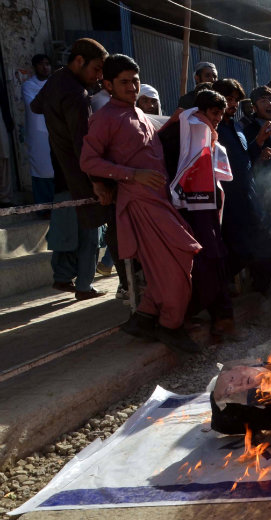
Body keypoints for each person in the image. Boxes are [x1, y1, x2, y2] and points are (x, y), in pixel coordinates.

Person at [79, 54, 201, 351]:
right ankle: (170, 325)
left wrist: (172, 123)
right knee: (178, 259)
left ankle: (145, 316)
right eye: (124, 82)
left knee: (167, 263)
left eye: (135, 81)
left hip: (159, 200)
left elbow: (141, 146)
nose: (133, 87)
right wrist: (132, 175)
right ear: (107, 85)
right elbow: (88, 160)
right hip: (138, 202)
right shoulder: (105, 118)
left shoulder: (138, 114)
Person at [30, 38, 110, 300]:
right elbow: (83, 144)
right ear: (79, 61)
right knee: (90, 229)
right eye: (96, 69)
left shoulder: (57, 80)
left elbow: (36, 105)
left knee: (67, 227)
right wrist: (96, 180)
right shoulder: (77, 96)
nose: (98, 76)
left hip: (60, 168)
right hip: (79, 173)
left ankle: (63, 277)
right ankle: (84, 286)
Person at [159, 89, 236, 340]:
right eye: (214, 113)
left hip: (207, 210)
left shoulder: (209, 134)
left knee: (217, 259)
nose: (217, 120)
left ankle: (221, 318)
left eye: (221, 115)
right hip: (187, 211)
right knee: (203, 262)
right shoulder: (178, 131)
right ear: (200, 110)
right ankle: (191, 316)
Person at [212, 78, 271, 294]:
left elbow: (244, 160)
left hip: (248, 196)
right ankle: (215, 291)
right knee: (241, 250)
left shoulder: (236, 128)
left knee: (265, 245)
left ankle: (262, 293)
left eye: (235, 100)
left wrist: (258, 144)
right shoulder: (213, 128)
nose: (232, 104)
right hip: (229, 201)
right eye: (228, 99)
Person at [22, 54, 55, 209]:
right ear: (35, 67)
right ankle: (43, 209)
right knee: (41, 169)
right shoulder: (28, 86)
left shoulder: (55, 84)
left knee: (55, 169)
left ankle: (57, 207)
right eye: (42, 64)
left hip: (54, 132)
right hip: (37, 135)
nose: (45, 67)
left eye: (48, 64)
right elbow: (34, 106)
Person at [242, 86, 271, 167]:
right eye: (263, 101)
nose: (269, 104)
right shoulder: (249, 130)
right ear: (254, 108)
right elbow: (248, 159)